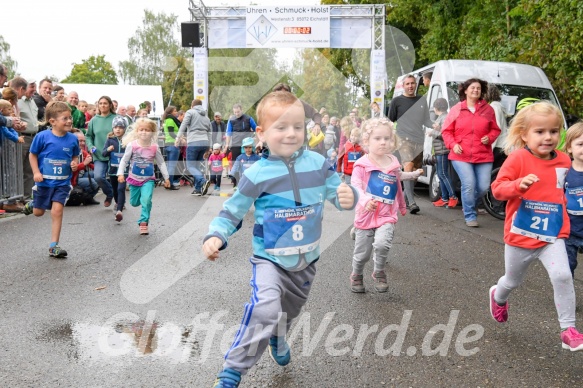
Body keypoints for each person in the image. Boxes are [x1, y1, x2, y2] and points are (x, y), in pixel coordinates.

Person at [202, 91, 356, 387]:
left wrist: (349, 196)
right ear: (262, 133)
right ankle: (232, 372)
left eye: (297, 127)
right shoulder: (257, 172)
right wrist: (216, 235)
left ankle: (278, 334)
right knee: (266, 308)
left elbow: (339, 195)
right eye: (281, 127)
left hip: (306, 262)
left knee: (288, 313)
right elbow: (233, 209)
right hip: (269, 259)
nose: (290, 134)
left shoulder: (319, 164)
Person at [489, 101, 583, 351]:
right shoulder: (518, 158)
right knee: (512, 281)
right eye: (540, 132)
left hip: (552, 236)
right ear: (524, 134)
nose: (548, 137)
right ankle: (498, 297)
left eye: (554, 131)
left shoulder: (564, 160)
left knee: (563, 276)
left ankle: (568, 329)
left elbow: (563, 190)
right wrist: (517, 186)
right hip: (521, 237)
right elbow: (497, 190)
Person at [349, 118, 422, 293]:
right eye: (378, 138)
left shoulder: (392, 163)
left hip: (386, 215)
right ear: (366, 141)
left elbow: (398, 177)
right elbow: (355, 187)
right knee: (362, 254)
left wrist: (412, 174)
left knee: (382, 244)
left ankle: (379, 271)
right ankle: (357, 275)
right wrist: (366, 201)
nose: (383, 142)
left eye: (387, 138)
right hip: (366, 215)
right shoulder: (361, 166)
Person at [22, 101, 79, 258]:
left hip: (62, 183)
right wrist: (36, 172)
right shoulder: (42, 137)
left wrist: (74, 163)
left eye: (70, 118)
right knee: (38, 212)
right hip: (44, 182)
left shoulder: (72, 139)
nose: (69, 121)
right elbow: (32, 154)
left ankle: (54, 246)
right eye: (65, 118)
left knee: (57, 210)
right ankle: (33, 204)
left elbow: (75, 155)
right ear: (52, 121)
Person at [442, 78, 500, 227]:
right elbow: (446, 131)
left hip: (483, 155)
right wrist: (453, 145)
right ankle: (469, 215)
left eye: (478, 88)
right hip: (460, 154)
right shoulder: (457, 109)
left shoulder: (488, 110)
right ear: (465, 90)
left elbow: (495, 129)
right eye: (473, 88)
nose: (476, 90)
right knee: (469, 184)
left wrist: (490, 137)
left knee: (483, 187)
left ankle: (468, 202)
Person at [388, 74, 433, 214]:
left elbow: (426, 120)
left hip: (419, 140)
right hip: (403, 138)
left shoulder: (421, 100)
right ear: (403, 85)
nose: (410, 86)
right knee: (408, 167)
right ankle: (412, 202)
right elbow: (390, 120)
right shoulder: (397, 101)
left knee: (415, 172)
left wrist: (435, 125)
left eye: (412, 83)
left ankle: (406, 197)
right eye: (407, 84)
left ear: (415, 84)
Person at [117, 118, 170, 235]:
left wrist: (166, 178)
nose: (144, 132)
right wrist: (120, 173)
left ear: (152, 132)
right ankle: (142, 201)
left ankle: (143, 222)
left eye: (147, 130)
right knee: (134, 203)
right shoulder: (132, 145)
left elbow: (161, 162)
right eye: (141, 129)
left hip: (148, 179)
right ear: (137, 131)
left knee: (146, 200)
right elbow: (124, 160)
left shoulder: (155, 147)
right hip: (134, 178)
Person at [176, 99, 212, 196]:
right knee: (197, 166)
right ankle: (198, 188)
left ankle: (203, 181)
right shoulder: (207, 117)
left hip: (194, 141)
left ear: (192, 105)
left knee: (190, 166)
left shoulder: (190, 112)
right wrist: (209, 147)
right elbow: (210, 133)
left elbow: (183, 124)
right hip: (204, 142)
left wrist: (178, 137)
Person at [86, 96, 116, 207]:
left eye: (105, 103)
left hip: (114, 153)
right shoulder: (94, 120)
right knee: (98, 177)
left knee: (116, 178)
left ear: (110, 105)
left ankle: (119, 201)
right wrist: (90, 146)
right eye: (101, 103)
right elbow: (88, 136)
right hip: (99, 153)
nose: (103, 105)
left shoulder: (116, 118)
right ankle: (109, 193)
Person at [428, 98, 458, 208]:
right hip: (439, 150)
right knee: (441, 175)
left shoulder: (445, 117)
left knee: (444, 174)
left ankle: (453, 197)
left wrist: (433, 132)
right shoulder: (442, 117)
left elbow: (445, 134)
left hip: (443, 149)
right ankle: (444, 198)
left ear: (436, 108)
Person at [564, 122, 583, 277]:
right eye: (581, 144)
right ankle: (565, 298)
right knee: (567, 268)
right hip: (569, 231)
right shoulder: (564, 173)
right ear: (569, 147)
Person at [17, 78, 39, 204]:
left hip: (33, 137)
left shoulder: (32, 102)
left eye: (35, 86)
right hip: (23, 137)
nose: (34, 89)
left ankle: (26, 197)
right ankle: (17, 197)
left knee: (29, 169)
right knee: (19, 168)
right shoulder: (19, 101)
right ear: (23, 88)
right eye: (31, 86)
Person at [103, 116, 128, 222]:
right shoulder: (110, 140)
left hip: (124, 170)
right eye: (116, 127)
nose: (118, 129)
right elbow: (103, 154)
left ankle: (119, 210)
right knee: (115, 189)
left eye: (121, 127)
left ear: (125, 129)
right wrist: (108, 150)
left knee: (120, 188)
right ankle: (119, 202)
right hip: (113, 170)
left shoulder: (128, 140)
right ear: (113, 128)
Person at [70, 131, 99, 206]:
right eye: (80, 141)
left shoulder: (83, 152)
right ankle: (78, 197)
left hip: (81, 176)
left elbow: (91, 165)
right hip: (72, 179)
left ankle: (87, 198)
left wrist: (100, 167)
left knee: (99, 176)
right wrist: (84, 163)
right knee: (94, 183)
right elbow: (71, 170)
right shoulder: (69, 152)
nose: (83, 143)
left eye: (84, 141)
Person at [486, 84, 509, 168]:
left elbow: (496, 129)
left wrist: (489, 149)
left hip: (497, 147)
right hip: (502, 146)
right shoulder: (498, 106)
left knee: (492, 175)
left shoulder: (494, 107)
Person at [162, 105, 181, 189]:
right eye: (175, 111)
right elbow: (171, 133)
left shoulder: (167, 120)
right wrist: (179, 138)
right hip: (173, 144)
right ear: (170, 112)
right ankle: (170, 183)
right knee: (171, 166)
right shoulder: (170, 120)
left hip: (168, 144)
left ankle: (168, 182)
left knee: (170, 165)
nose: (176, 112)